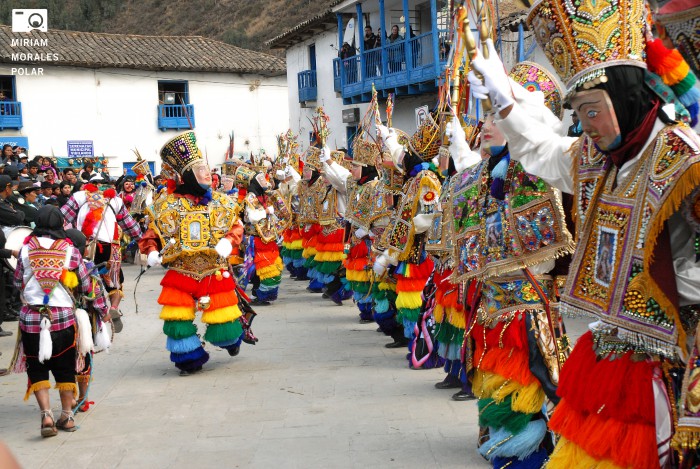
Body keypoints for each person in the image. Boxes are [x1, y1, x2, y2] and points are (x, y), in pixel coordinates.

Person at [468, 1, 700, 465]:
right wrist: (506, 102)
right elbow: (541, 151)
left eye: (593, 111)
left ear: (629, 97)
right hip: (610, 349)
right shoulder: (597, 159)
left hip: (673, 353)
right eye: (580, 113)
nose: (587, 127)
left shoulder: (685, 161)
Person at [138, 131, 247, 375]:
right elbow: (151, 234)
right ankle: (188, 358)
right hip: (181, 270)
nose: (208, 173)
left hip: (213, 269)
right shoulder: (166, 204)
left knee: (225, 324)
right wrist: (152, 251)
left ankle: (229, 341)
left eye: (207, 169)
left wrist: (229, 241)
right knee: (177, 320)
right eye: (200, 170)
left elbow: (236, 226)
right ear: (188, 175)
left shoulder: (222, 202)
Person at [13, 206, 107, 437]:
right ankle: (67, 416)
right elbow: (85, 285)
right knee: (65, 367)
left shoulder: (25, 249)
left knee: (37, 368)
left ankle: (46, 415)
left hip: (32, 318)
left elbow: (17, 283)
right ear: (59, 225)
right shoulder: (70, 250)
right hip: (63, 319)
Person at [61, 176, 142, 333]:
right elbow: (132, 227)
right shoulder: (115, 200)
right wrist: (144, 242)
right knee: (115, 282)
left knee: (83, 280)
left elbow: (62, 218)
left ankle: (85, 311)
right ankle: (114, 307)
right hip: (109, 247)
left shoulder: (79, 196)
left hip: (84, 245)